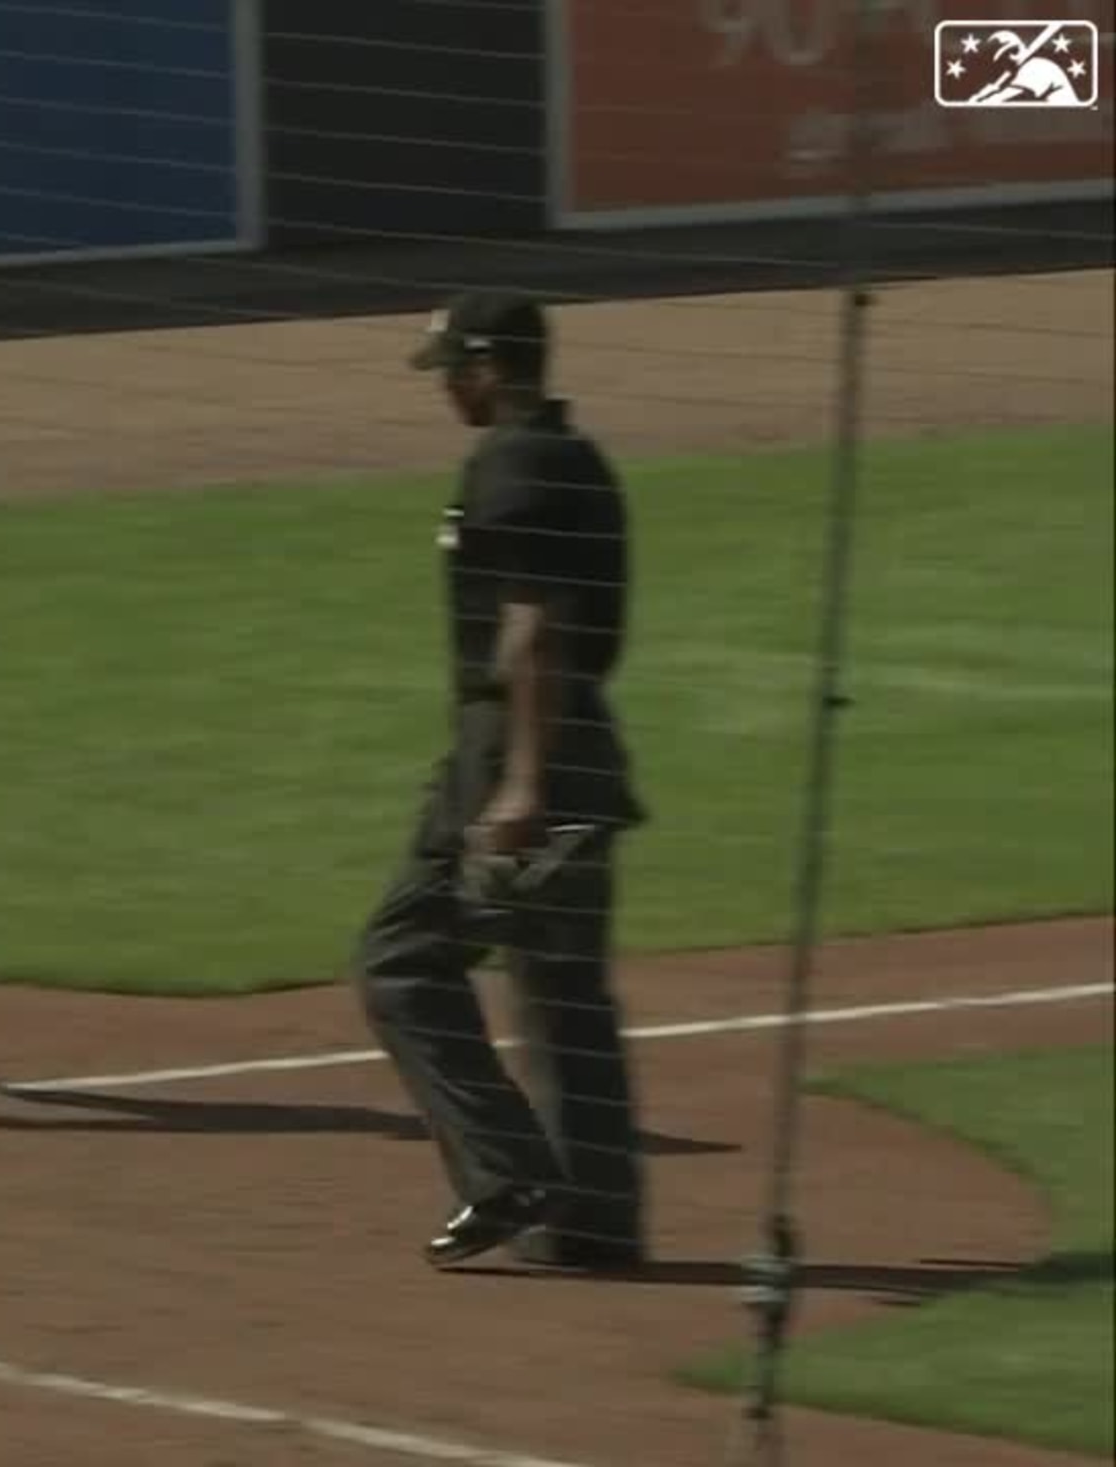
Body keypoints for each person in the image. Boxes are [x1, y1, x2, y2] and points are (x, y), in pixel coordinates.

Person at [352, 291, 649, 1271]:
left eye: (448, 368)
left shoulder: (511, 464)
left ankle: (505, 1174)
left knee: (400, 961)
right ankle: (594, 1223)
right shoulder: (573, 456)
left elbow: (533, 628)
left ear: (484, 365)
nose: (442, 386)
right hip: (582, 749)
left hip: (518, 750)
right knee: (563, 990)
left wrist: (517, 786)